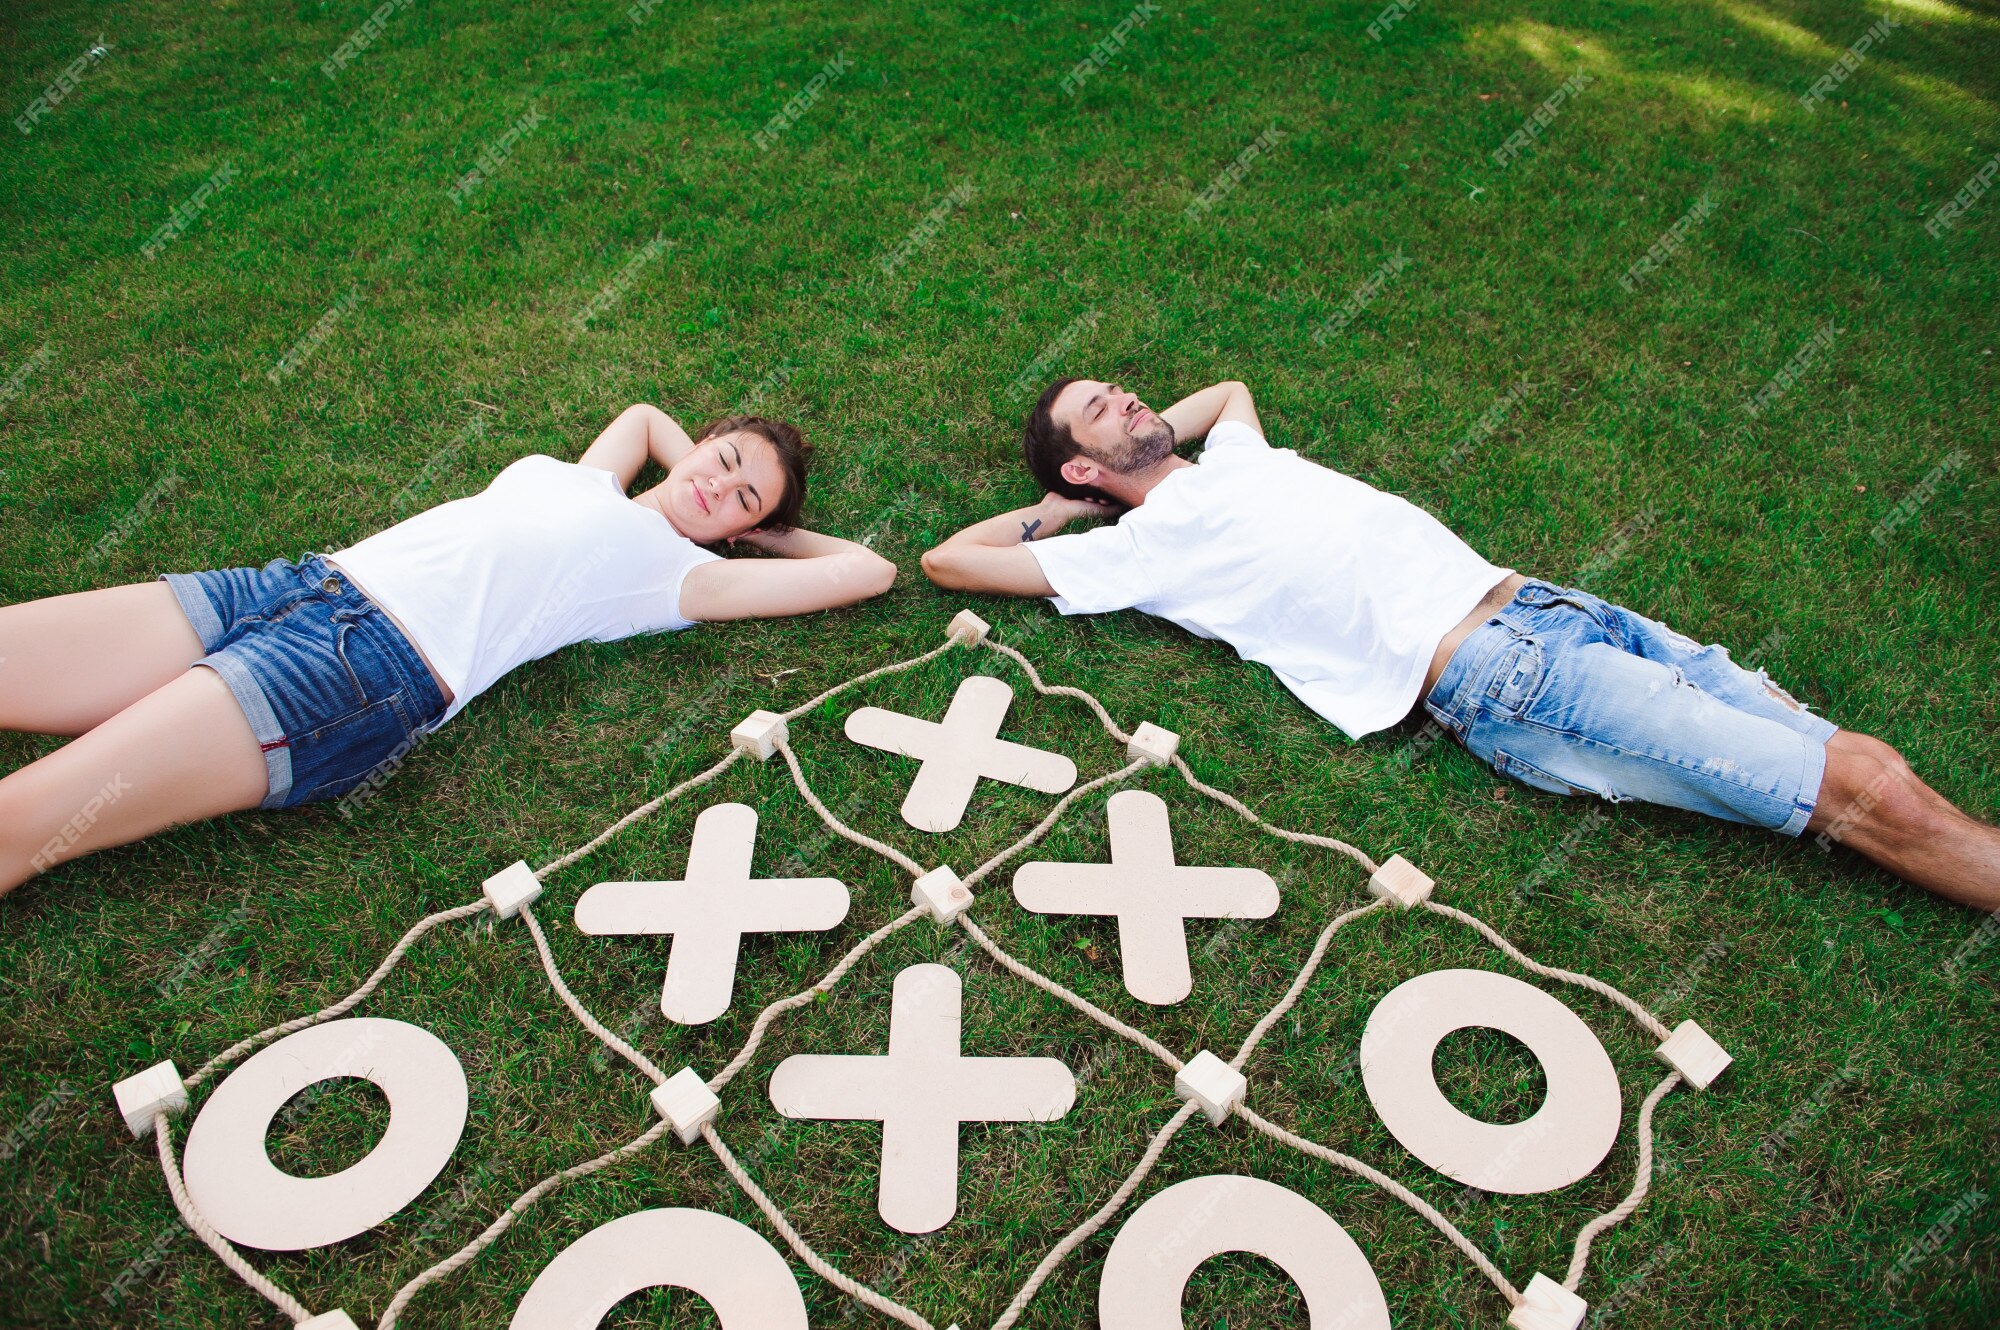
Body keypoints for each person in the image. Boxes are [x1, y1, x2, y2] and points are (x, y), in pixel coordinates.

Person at [921, 378, 2000, 910]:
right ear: (1076, 467)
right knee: (1865, 800)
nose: (1128, 400)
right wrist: (1070, 514)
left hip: (1557, 609)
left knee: (1871, 766)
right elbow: (948, 562)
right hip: (1506, 676)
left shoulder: (1236, 458)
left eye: (1120, 388)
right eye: (1098, 415)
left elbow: (1228, 393)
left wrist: (1132, 446)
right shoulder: (1138, 550)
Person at [0, 403, 897, 895]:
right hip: (289, 585)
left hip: (356, 671)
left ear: (743, 535)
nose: (719, 486)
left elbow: (870, 570)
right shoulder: (593, 474)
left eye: (745, 499)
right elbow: (642, 416)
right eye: (726, 458)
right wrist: (698, 463)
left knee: (19, 823)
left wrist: (764, 538)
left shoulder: (678, 581)